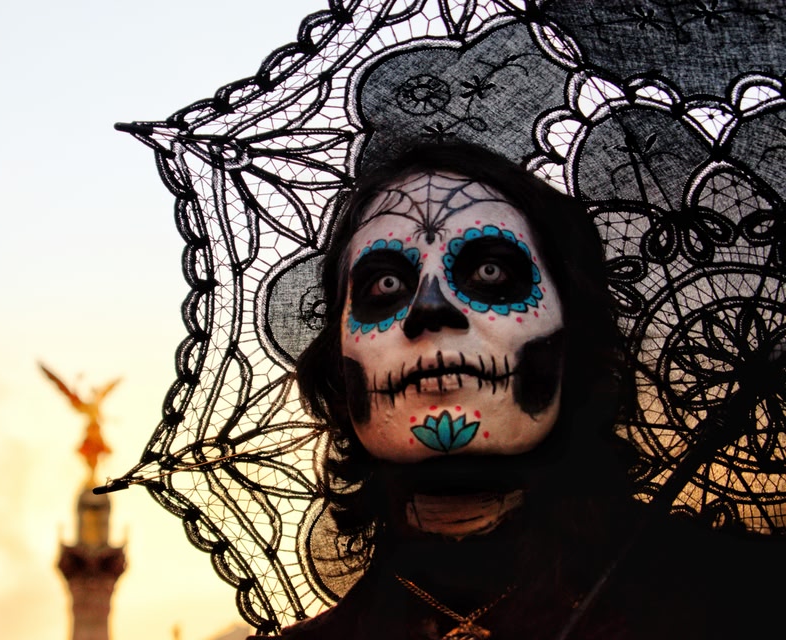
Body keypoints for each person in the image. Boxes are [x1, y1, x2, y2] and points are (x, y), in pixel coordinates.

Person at [247, 143, 780, 639]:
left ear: (573, 333)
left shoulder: (753, 603)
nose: (429, 308)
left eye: (489, 270)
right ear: (339, 367)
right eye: (385, 285)